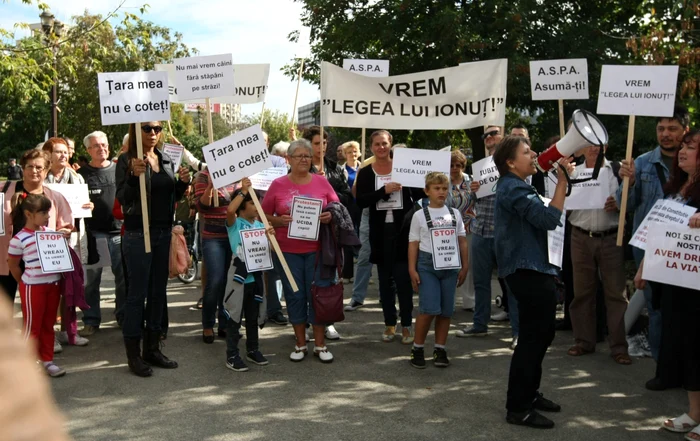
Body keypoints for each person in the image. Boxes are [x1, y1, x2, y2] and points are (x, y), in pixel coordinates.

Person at [493, 135, 572, 428]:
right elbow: (548, 219)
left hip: (534, 268)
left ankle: (529, 393)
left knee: (542, 334)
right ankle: (518, 407)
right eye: (527, 152)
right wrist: (562, 182)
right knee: (532, 338)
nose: (534, 154)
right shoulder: (512, 187)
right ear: (510, 162)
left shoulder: (519, 185)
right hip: (526, 270)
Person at [635, 129, 700, 440]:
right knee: (686, 345)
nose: (684, 152)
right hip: (675, 284)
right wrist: (644, 268)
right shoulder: (675, 189)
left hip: (696, 285)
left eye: (692, 147)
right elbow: (658, 232)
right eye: (684, 147)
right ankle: (694, 412)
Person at [617, 105, 690, 380]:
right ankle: (664, 369)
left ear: (685, 129)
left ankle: (687, 368)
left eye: (672, 128)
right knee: (656, 308)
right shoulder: (642, 162)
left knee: (683, 310)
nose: (666, 134)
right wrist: (630, 183)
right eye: (661, 128)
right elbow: (626, 206)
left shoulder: (693, 164)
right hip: (647, 248)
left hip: (685, 248)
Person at [116, 121, 190, 377]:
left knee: (158, 293)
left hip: (162, 233)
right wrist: (132, 177)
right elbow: (123, 199)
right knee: (137, 295)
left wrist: (182, 184)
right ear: (136, 131)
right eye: (147, 128)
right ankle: (133, 355)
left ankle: (153, 348)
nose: (153, 133)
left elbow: (171, 196)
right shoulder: (126, 160)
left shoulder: (166, 159)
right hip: (138, 234)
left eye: (157, 129)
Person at [261, 138, 339, 363]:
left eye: (307, 156)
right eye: (299, 156)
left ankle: (320, 345)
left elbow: (336, 207)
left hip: (318, 251)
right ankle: (300, 343)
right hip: (287, 252)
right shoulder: (277, 185)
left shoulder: (322, 182)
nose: (304, 159)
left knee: (318, 295)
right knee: (295, 295)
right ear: (289, 159)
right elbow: (262, 214)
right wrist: (279, 220)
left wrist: (330, 215)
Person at [566, 143, 631, 364]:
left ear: (606, 145)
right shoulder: (571, 171)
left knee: (616, 294)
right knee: (582, 292)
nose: (594, 149)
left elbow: (632, 200)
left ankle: (619, 347)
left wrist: (620, 203)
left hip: (611, 238)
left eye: (599, 144)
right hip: (580, 237)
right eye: (589, 144)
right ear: (581, 147)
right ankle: (583, 341)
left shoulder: (617, 170)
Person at [356, 131, 417, 343]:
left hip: (403, 231)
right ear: (371, 147)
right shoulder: (365, 172)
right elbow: (361, 201)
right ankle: (390, 324)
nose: (381, 147)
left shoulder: (404, 167)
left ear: (390, 144)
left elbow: (420, 193)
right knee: (385, 282)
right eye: (376, 144)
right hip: (380, 233)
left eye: (384, 143)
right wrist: (383, 191)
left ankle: (407, 324)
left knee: (403, 281)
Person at [457, 125, 515, 339]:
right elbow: (475, 201)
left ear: (503, 137)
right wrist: (473, 192)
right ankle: (480, 324)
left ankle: (518, 332)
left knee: (512, 285)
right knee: (481, 282)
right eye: (486, 135)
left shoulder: (514, 163)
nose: (489, 137)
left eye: (494, 133)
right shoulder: (480, 166)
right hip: (481, 231)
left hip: (505, 233)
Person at [408, 172, 469, 369]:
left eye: (444, 188)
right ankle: (417, 347)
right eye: (436, 188)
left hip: (450, 266)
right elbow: (413, 244)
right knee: (429, 309)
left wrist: (465, 265)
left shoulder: (455, 214)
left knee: (446, 311)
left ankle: (440, 348)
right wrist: (412, 269)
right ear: (427, 191)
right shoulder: (419, 215)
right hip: (427, 266)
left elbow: (462, 241)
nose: (441, 192)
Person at [0, 149, 73, 304]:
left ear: (46, 171)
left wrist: (64, 232)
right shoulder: (3, 190)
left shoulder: (55, 197)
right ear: (22, 169)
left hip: (39, 263)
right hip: (6, 258)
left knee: (37, 310)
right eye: (29, 166)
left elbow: (65, 225)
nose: (34, 171)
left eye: (39, 168)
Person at [8, 194, 67, 377]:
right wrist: (24, 282)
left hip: (52, 284)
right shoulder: (19, 239)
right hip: (33, 286)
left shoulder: (49, 234)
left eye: (47, 212)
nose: (48, 216)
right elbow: (13, 264)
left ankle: (47, 360)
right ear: (29, 214)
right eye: (43, 212)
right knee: (32, 326)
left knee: (49, 325)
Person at [303, 125, 351, 340]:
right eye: (316, 143)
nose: (321, 147)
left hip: (329, 233)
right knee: (307, 279)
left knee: (328, 277)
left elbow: (346, 197)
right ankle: (307, 320)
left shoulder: (334, 167)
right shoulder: (299, 167)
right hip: (305, 231)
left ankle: (327, 320)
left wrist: (328, 186)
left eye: (323, 142)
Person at [78, 131, 127, 335]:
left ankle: (123, 317)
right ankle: (91, 319)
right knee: (91, 281)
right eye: (96, 146)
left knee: (123, 277)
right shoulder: (81, 175)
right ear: (88, 150)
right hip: (93, 234)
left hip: (119, 232)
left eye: (104, 145)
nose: (102, 149)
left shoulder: (119, 169)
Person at [223, 178, 273, 372]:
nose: (258, 206)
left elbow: (268, 254)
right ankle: (232, 354)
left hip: (256, 280)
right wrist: (243, 191)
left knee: (253, 317)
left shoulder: (261, 226)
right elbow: (229, 211)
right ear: (243, 208)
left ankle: (253, 349)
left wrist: (270, 239)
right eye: (253, 203)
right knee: (235, 317)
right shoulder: (235, 224)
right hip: (238, 280)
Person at [195, 166, 240, 343]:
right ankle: (207, 324)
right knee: (215, 280)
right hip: (213, 237)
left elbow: (243, 205)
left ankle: (224, 323)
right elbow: (201, 206)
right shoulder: (204, 175)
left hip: (234, 235)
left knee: (230, 281)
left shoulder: (237, 174)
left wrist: (244, 189)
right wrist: (210, 188)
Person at [449, 151, 476, 313]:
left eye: (457, 165)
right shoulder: (443, 181)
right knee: (450, 265)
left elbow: (478, 200)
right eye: (451, 165)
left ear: (463, 166)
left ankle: (469, 301)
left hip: (469, 227)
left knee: (469, 265)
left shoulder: (471, 181)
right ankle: (449, 301)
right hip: (448, 229)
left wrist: (477, 192)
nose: (454, 168)